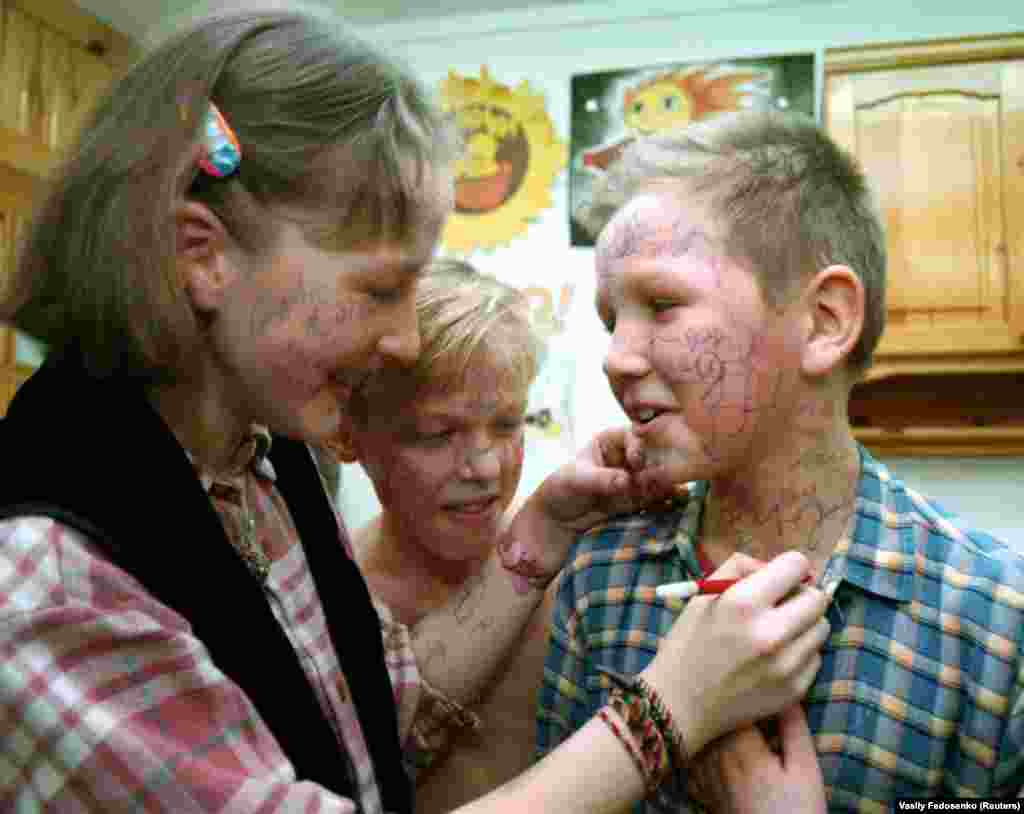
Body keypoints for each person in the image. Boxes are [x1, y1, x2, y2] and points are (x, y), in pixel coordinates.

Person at [0, 7, 830, 812]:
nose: (402, 340)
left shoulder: (259, 460)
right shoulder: (52, 586)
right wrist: (669, 710)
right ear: (202, 255)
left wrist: (539, 526)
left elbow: (376, 712)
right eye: (381, 288)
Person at [536, 108, 1024, 811]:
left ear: (824, 322)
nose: (615, 356)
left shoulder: (994, 629)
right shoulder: (600, 582)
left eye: (663, 304)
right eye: (612, 318)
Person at [331, 257, 556, 811]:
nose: (483, 467)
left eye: (507, 424)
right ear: (345, 435)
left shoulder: (571, 574)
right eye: (437, 434)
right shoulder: (330, 602)